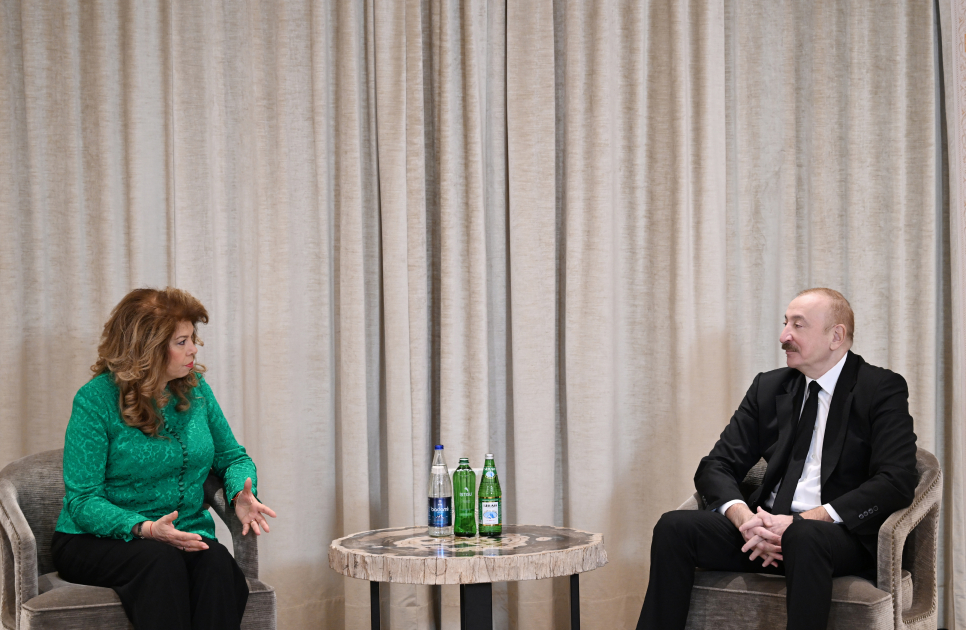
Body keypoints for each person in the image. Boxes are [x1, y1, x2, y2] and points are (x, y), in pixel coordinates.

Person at [636, 288, 918, 630]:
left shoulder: (880, 388)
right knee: (674, 527)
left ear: (836, 336)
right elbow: (716, 465)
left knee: (805, 536)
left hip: (835, 537)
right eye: (785, 324)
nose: (784, 336)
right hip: (762, 533)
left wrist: (800, 522)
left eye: (798, 325)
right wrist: (747, 522)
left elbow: (896, 480)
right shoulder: (769, 387)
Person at [51, 287, 277, 630]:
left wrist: (239, 493)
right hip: (94, 540)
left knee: (217, 563)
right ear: (147, 349)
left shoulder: (196, 388)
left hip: (181, 533)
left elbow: (232, 457)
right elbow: (83, 500)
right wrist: (145, 529)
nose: (194, 349)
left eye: (192, 338)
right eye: (181, 342)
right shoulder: (95, 400)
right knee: (160, 561)